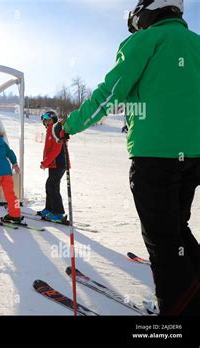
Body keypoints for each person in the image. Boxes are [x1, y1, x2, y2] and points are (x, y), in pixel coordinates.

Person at [52, 0, 200, 315]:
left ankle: (176, 311)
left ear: (148, 11)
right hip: (193, 155)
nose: (136, 27)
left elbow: (111, 91)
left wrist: (69, 126)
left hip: (155, 155)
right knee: (177, 228)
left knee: (162, 239)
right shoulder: (196, 44)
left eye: (136, 21)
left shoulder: (145, 41)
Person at [37, 111, 68, 223]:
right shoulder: (49, 131)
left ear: (54, 119)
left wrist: (45, 163)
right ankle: (49, 208)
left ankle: (58, 213)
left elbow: (56, 150)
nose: (46, 122)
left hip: (59, 163)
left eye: (49, 119)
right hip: (54, 164)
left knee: (52, 186)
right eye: (45, 120)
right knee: (50, 185)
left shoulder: (56, 130)